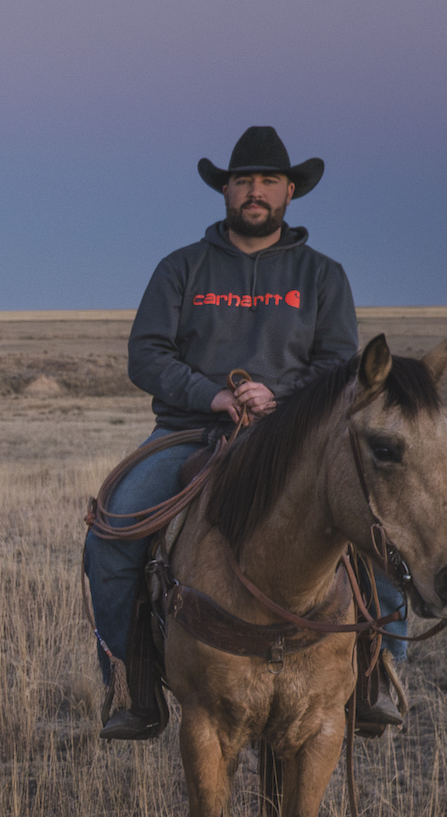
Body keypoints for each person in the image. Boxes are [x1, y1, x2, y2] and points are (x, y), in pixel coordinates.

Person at [91, 126, 407, 740]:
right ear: (226, 191)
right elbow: (146, 355)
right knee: (113, 530)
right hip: (189, 433)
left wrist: (280, 397)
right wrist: (211, 394)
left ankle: (378, 674)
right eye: (243, 181)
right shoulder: (182, 268)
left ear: (290, 191)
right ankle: (131, 683)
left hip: (299, 440)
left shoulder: (323, 275)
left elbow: (342, 364)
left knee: (379, 526)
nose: (254, 192)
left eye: (267, 181)